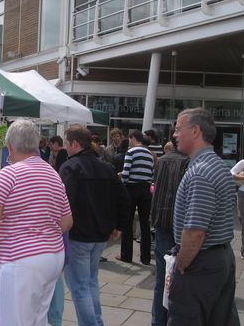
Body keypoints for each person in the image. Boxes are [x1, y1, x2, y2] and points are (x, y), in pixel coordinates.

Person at [0, 120, 72, 326]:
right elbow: (67, 221)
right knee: (39, 319)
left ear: (10, 146)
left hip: (23, 260)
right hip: (53, 257)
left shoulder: (8, 174)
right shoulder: (53, 174)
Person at [168, 107, 239, 325]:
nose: (175, 134)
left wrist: (181, 261)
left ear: (196, 130)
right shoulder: (217, 165)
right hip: (220, 258)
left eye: (179, 129)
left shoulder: (201, 172)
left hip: (201, 263)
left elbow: (196, 231)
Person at [60, 125, 130, 326]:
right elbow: (123, 199)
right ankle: (96, 321)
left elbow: (63, 202)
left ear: (75, 144)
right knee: (90, 282)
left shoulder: (69, 167)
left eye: (66, 143)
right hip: (100, 236)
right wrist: (119, 226)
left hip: (79, 236)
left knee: (81, 286)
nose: (65, 147)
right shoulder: (106, 167)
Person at [150, 136, 189, 326]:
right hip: (180, 225)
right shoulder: (189, 162)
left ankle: (158, 321)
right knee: (181, 278)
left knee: (161, 278)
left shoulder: (162, 161)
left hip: (161, 222)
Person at [118, 130, 154, 265]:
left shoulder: (131, 152)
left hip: (131, 189)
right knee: (145, 223)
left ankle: (126, 255)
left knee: (127, 222)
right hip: (145, 189)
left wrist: (122, 182)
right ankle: (145, 257)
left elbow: (126, 173)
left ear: (133, 138)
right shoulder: (150, 154)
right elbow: (151, 173)